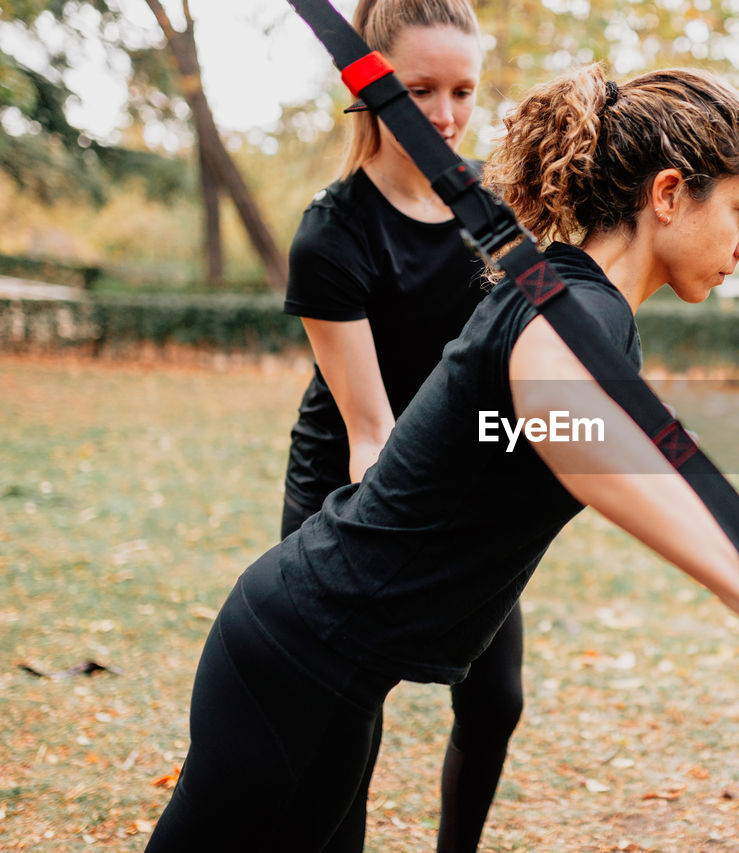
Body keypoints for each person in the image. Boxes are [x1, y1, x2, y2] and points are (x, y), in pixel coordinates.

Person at [146, 62, 739, 852]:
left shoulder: (575, 301)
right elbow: (574, 439)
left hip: (313, 661)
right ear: (666, 196)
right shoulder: (571, 310)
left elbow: (519, 438)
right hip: (299, 664)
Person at [279, 1, 519, 850]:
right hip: (352, 477)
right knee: (344, 721)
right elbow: (372, 428)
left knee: (495, 700)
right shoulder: (332, 234)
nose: (448, 117)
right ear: (367, 85)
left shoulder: (498, 208)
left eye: (463, 91)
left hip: (460, 473)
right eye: (421, 91)